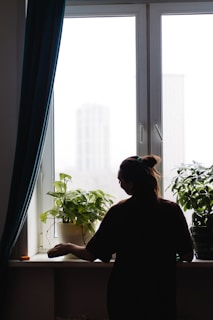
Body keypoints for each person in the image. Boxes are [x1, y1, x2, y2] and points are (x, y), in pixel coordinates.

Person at [48, 154, 194, 319]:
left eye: (121, 181)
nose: (120, 185)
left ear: (131, 184)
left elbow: (91, 254)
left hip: (125, 294)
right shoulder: (172, 211)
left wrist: (68, 247)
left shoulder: (119, 212)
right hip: (161, 295)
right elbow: (187, 255)